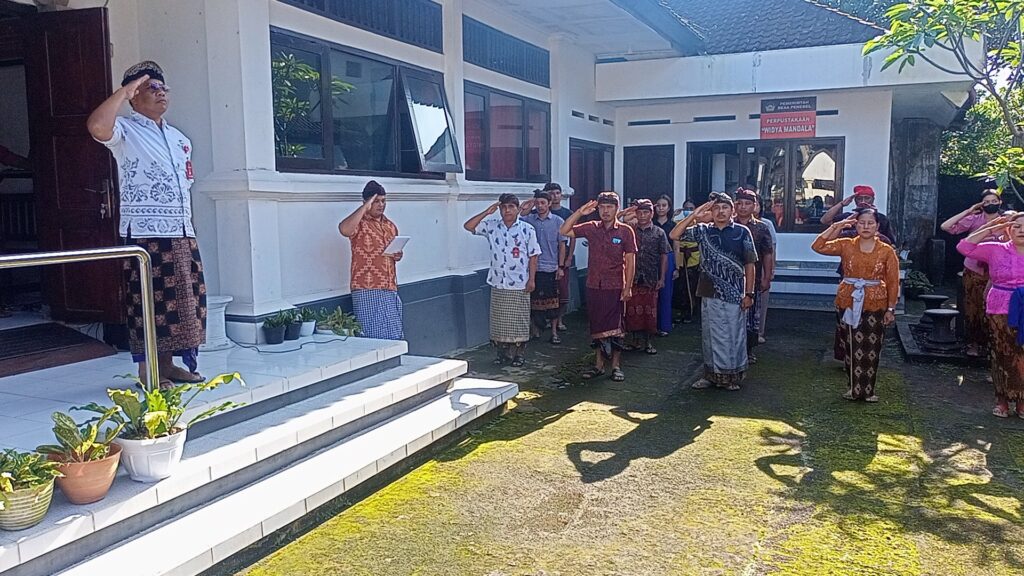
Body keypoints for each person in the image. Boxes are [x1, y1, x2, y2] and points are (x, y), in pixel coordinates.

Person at [87, 61, 205, 388]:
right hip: (145, 234)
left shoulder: (180, 139)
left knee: (183, 305)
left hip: (181, 232)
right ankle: (147, 371)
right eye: (152, 88)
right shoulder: (125, 131)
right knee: (149, 304)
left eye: (163, 87)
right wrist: (123, 92)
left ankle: (168, 366)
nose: (161, 93)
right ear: (134, 96)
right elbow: (96, 126)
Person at [669, 193, 757, 391]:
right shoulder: (702, 231)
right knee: (711, 336)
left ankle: (731, 377)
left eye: (725, 207)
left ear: (732, 210)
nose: (720, 212)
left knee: (733, 336)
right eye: (716, 208)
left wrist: (749, 293)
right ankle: (710, 375)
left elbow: (750, 264)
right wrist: (694, 215)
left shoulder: (742, 232)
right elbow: (674, 235)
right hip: (709, 291)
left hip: (735, 292)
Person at [812, 209, 899, 402]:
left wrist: (891, 308)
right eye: (861, 223)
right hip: (848, 300)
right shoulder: (846, 244)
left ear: (877, 226)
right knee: (850, 344)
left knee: (872, 346)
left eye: (870, 223)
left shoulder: (886, 250)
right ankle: (853, 388)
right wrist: (837, 226)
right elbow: (818, 246)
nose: (866, 226)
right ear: (855, 225)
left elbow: (893, 281)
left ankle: (868, 390)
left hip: (876, 302)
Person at [560, 192, 637, 382]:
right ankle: (599, 365)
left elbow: (630, 261)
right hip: (594, 284)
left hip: (615, 286)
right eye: (602, 207)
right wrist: (580, 212)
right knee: (597, 326)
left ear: (617, 209)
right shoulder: (592, 227)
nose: (605, 211)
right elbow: (564, 230)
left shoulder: (625, 231)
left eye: (609, 207)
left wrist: (628, 287)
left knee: (616, 328)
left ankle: (616, 366)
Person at [957, 212, 1024, 418]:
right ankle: (1002, 400)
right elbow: (964, 247)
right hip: (999, 307)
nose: (1022, 230)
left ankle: (1022, 401)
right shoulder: (995, 249)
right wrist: (993, 227)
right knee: (1001, 353)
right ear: (1008, 230)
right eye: (1017, 226)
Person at [464, 194, 540, 367]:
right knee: (500, 323)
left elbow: (533, 256)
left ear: (518, 209)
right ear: (499, 209)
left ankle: (519, 354)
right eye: (504, 207)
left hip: (519, 282)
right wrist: (486, 212)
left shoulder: (527, 229)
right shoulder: (492, 227)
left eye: (511, 207)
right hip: (499, 281)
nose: (507, 211)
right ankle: (503, 354)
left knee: (518, 321)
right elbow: (468, 226)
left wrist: (532, 280)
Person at [941, 189, 1004, 357]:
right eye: (986, 202)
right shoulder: (975, 219)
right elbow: (946, 227)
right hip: (974, 269)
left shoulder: (1006, 221)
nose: (990, 204)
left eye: (994, 201)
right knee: (972, 307)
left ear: (1000, 202)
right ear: (981, 204)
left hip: (998, 272)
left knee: (995, 308)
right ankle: (973, 343)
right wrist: (969, 211)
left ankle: (992, 344)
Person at [338, 180, 404, 340]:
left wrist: (397, 254)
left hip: (389, 287)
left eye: (383, 201)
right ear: (366, 202)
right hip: (367, 288)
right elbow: (344, 229)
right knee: (372, 335)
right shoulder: (359, 223)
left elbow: (393, 253)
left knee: (394, 334)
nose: (381, 205)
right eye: (376, 201)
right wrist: (365, 208)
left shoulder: (390, 226)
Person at [520, 190, 567, 344]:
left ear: (549, 204)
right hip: (532, 268)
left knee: (553, 302)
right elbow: (518, 217)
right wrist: (530, 202)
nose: (540, 206)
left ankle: (554, 333)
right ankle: (535, 330)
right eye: (537, 203)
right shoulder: (529, 220)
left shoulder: (558, 221)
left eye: (543, 203)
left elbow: (562, 246)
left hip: (550, 267)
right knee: (533, 301)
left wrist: (560, 266)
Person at [733, 188, 775, 363]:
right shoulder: (728, 224)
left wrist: (767, 276)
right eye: (740, 203)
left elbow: (767, 253)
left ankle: (748, 350)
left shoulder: (761, 227)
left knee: (750, 317)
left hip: (754, 278)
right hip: (730, 278)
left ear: (754, 205)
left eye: (747, 203)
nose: (743, 207)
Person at [624, 199, 670, 354]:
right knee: (632, 311)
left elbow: (664, 256)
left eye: (645, 212)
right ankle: (634, 341)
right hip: (633, 277)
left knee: (650, 312)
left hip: (651, 277)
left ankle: (649, 342)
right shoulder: (630, 230)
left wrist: (662, 278)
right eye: (639, 212)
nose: (642, 216)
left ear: (651, 214)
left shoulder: (659, 232)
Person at [819, 185, 896, 244]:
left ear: (873, 200)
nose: (863, 201)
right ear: (855, 200)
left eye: (867, 198)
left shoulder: (881, 218)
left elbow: (891, 243)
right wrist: (842, 204)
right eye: (859, 198)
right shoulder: (847, 217)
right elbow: (824, 220)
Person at [545, 182, 575, 332]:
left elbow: (573, 237)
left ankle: (560, 319)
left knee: (562, 290)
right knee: (546, 289)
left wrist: (569, 257)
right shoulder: (541, 211)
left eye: (557, 193)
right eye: (551, 193)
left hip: (563, 254)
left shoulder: (568, 213)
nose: (555, 196)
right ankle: (546, 320)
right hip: (545, 255)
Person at [754, 196, 778, 343]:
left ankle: (759, 332)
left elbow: (772, 248)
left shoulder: (766, 224)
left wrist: (771, 270)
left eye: (755, 204)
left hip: (762, 265)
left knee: (762, 301)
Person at [653, 195, 677, 335]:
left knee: (666, 294)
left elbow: (676, 247)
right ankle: (651, 325)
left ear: (669, 208)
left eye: (664, 205)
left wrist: (677, 267)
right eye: (658, 205)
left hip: (669, 258)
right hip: (651, 259)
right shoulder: (650, 223)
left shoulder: (673, 225)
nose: (661, 208)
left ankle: (664, 326)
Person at [675, 200, 701, 324]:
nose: (688, 211)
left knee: (693, 287)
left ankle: (692, 311)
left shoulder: (699, 225)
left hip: (694, 259)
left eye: (691, 209)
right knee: (682, 287)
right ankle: (683, 311)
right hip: (681, 258)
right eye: (686, 208)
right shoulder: (678, 223)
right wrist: (675, 215)